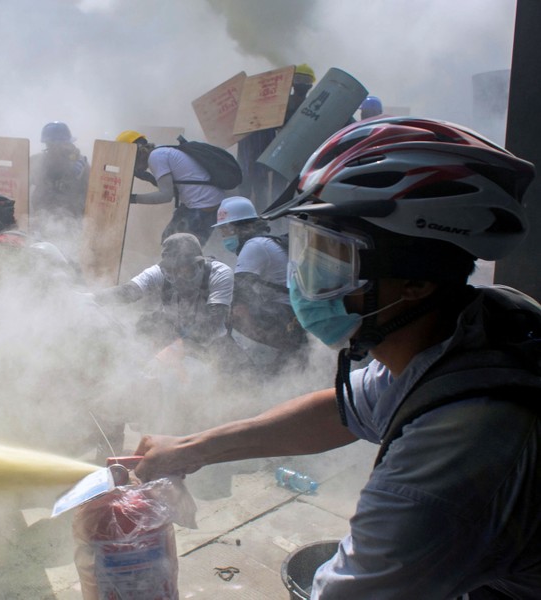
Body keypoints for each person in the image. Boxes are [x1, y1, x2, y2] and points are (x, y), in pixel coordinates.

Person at [132, 116, 540, 598]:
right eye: (308, 247)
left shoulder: (443, 471)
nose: (304, 275)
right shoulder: (468, 335)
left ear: (416, 281)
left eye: (330, 255)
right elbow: (342, 411)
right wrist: (191, 448)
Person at [94, 233, 233, 350]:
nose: (175, 276)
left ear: (199, 264)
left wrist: (175, 349)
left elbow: (212, 324)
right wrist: (91, 298)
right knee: (144, 325)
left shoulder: (219, 273)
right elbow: (129, 291)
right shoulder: (159, 272)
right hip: (174, 336)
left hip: (213, 344)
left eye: (181, 269)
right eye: (170, 270)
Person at [213, 196, 306, 368]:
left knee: (228, 311)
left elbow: (237, 290)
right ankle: (283, 357)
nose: (223, 236)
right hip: (291, 314)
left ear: (241, 227)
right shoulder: (261, 243)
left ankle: (242, 367)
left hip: (287, 317)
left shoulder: (255, 245)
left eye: (226, 229)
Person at [115, 130, 227, 247]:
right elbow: (174, 187)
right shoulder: (160, 151)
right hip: (199, 202)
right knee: (168, 238)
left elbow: (166, 195)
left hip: (204, 205)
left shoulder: (156, 157)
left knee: (181, 249)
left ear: (137, 153)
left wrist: (132, 198)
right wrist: (148, 177)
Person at [236, 63, 316, 212]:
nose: (302, 84)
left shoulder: (311, 104)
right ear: (292, 81)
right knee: (273, 187)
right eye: (299, 79)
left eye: (306, 80)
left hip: (300, 152)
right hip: (282, 150)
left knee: (295, 186)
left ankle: (286, 214)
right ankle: (273, 215)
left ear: (311, 84)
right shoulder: (281, 103)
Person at [29, 121, 89, 235]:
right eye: (48, 145)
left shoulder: (80, 165)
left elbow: (91, 195)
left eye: (52, 145)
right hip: (40, 220)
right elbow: (22, 185)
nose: (50, 149)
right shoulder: (37, 161)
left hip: (71, 223)